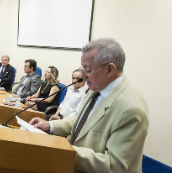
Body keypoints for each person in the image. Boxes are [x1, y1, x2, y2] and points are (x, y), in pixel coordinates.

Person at [29, 38, 149, 173]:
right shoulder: (98, 87)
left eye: (88, 70)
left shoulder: (131, 109)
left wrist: (62, 150)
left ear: (109, 69)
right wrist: (50, 126)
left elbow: (114, 166)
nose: (83, 77)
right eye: (82, 69)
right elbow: (82, 120)